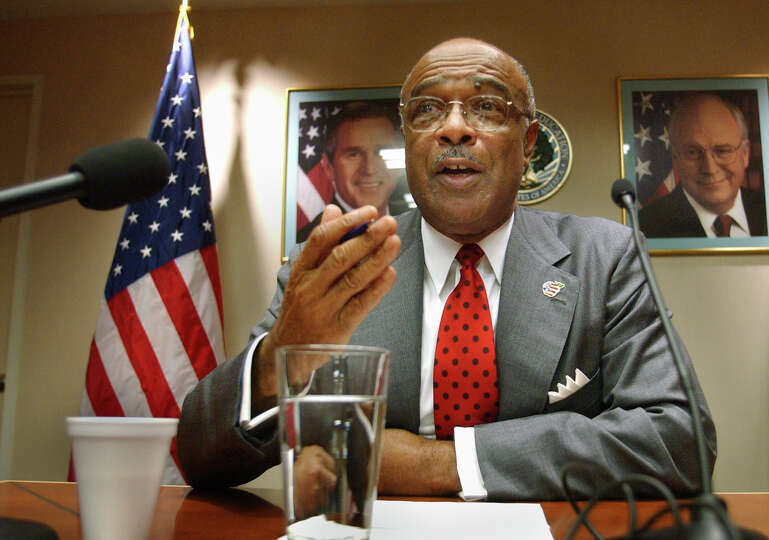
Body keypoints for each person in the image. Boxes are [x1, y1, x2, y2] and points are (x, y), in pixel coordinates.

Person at [177, 37, 716, 501]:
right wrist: (277, 360)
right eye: (428, 111)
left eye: (486, 107)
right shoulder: (338, 266)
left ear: (528, 144)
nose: (454, 129)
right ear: (407, 141)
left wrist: (439, 463)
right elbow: (199, 458)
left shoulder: (607, 257)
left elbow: (680, 440)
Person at [637, 93, 767, 238]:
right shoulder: (644, 228)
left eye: (722, 151)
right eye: (693, 152)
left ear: (745, 154)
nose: (710, 169)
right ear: (675, 158)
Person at [295, 101, 407, 243]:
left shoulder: (418, 224)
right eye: (354, 154)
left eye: (381, 152)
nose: (370, 169)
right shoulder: (307, 242)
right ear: (328, 167)